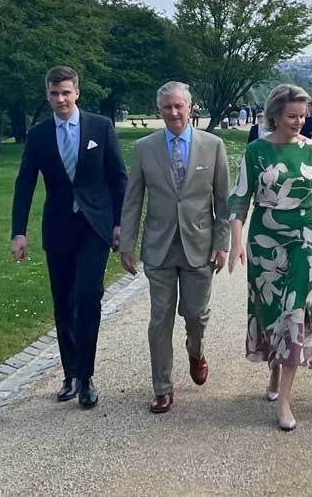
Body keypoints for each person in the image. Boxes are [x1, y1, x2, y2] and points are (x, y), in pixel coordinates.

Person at [227, 84, 312, 431]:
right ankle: (274, 370)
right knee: (270, 310)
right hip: (264, 238)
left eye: (303, 116)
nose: (299, 122)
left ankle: (287, 403)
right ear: (274, 115)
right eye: (292, 116)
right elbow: (239, 200)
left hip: (304, 238)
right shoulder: (256, 152)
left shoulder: (311, 152)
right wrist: (237, 242)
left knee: (295, 309)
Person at [11, 65, 127, 410]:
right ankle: (70, 373)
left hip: (95, 226)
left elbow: (118, 177)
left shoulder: (100, 127)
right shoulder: (39, 135)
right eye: (53, 93)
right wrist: (18, 231)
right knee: (63, 302)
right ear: (47, 95)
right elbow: (25, 184)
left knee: (88, 296)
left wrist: (120, 223)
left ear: (76, 93)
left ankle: (87, 376)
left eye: (66, 92)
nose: (60, 99)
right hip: (59, 227)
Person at [118, 82, 231, 414]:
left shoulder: (213, 146)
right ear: (159, 110)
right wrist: (127, 242)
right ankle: (162, 387)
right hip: (160, 247)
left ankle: (196, 353)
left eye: (179, 106)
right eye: (167, 107)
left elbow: (223, 201)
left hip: (199, 245)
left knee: (196, 317)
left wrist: (221, 243)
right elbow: (133, 199)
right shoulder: (144, 148)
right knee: (159, 320)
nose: (173, 112)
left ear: (190, 107)